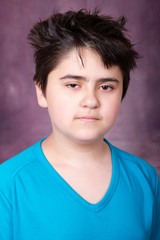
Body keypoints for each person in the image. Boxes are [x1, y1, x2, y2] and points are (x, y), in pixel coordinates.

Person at [0, 9, 159, 240]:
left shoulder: (144, 177)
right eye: (73, 85)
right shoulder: (8, 184)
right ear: (41, 91)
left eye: (106, 87)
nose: (91, 101)